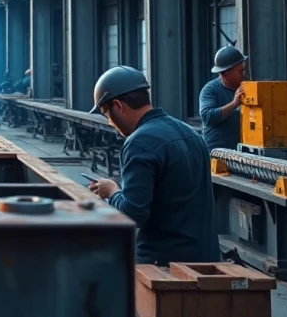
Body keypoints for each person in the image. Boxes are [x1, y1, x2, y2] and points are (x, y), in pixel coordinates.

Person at [87, 66, 220, 266]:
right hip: (206, 258)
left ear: (118, 105)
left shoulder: (139, 142)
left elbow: (133, 214)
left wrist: (112, 192)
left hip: (165, 264)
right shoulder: (191, 133)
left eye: (106, 114)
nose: (109, 122)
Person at [198, 46, 248, 152]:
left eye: (244, 70)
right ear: (225, 73)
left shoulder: (248, 87)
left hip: (243, 154)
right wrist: (234, 104)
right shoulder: (210, 90)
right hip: (217, 154)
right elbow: (207, 116)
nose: (244, 74)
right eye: (240, 71)